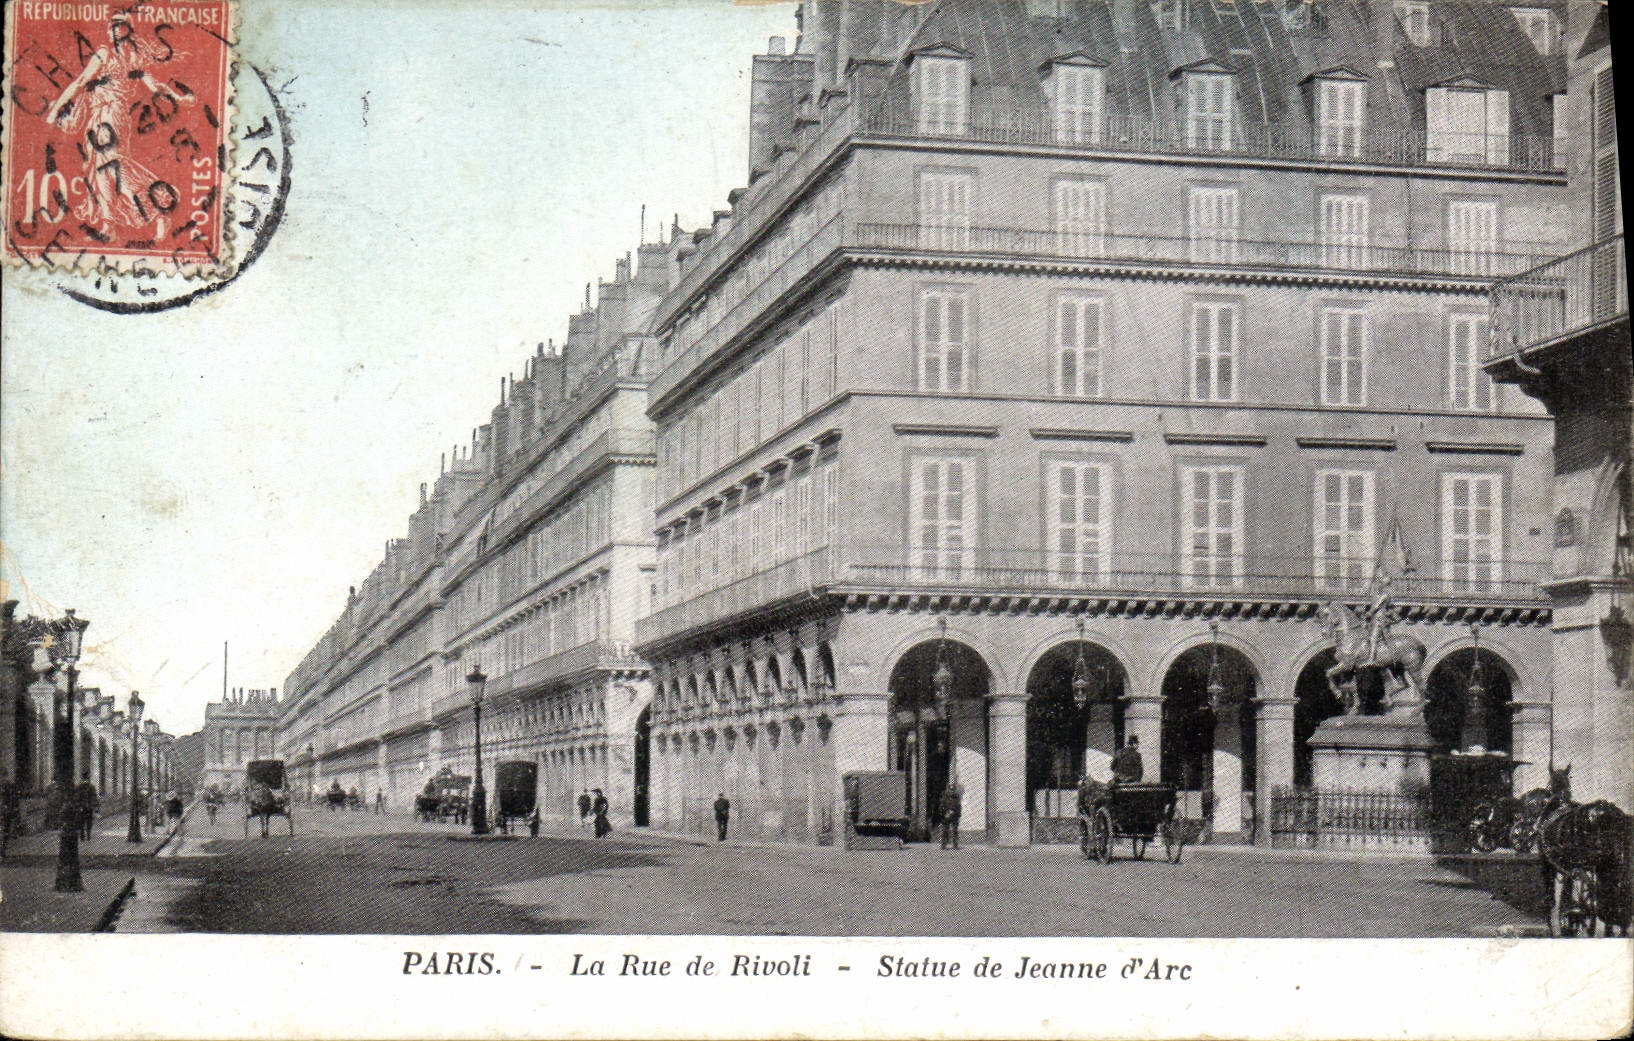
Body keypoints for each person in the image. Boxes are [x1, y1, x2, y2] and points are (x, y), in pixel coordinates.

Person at [74, 773, 99, 841]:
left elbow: (76, 797)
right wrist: (96, 806)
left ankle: (82, 835)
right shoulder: (91, 787)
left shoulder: (78, 786)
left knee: (81, 821)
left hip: (81, 807)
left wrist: (77, 805)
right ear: (88, 778)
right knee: (89, 821)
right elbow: (94, 797)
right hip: (89, 807)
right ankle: (88, 835)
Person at [939, 781, 963, 850]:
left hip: (954, 816)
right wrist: (944, 813)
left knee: (955, 831)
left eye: (953, 789)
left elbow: (958, 806)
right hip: (946, 816)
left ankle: (955, 845)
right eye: (950, 789)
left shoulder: (957, 797)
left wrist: (956, 813)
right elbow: (941, 806)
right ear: (948, 789)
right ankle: (943, 845)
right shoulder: (945, 797)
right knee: (945, 831)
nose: (952, 791)